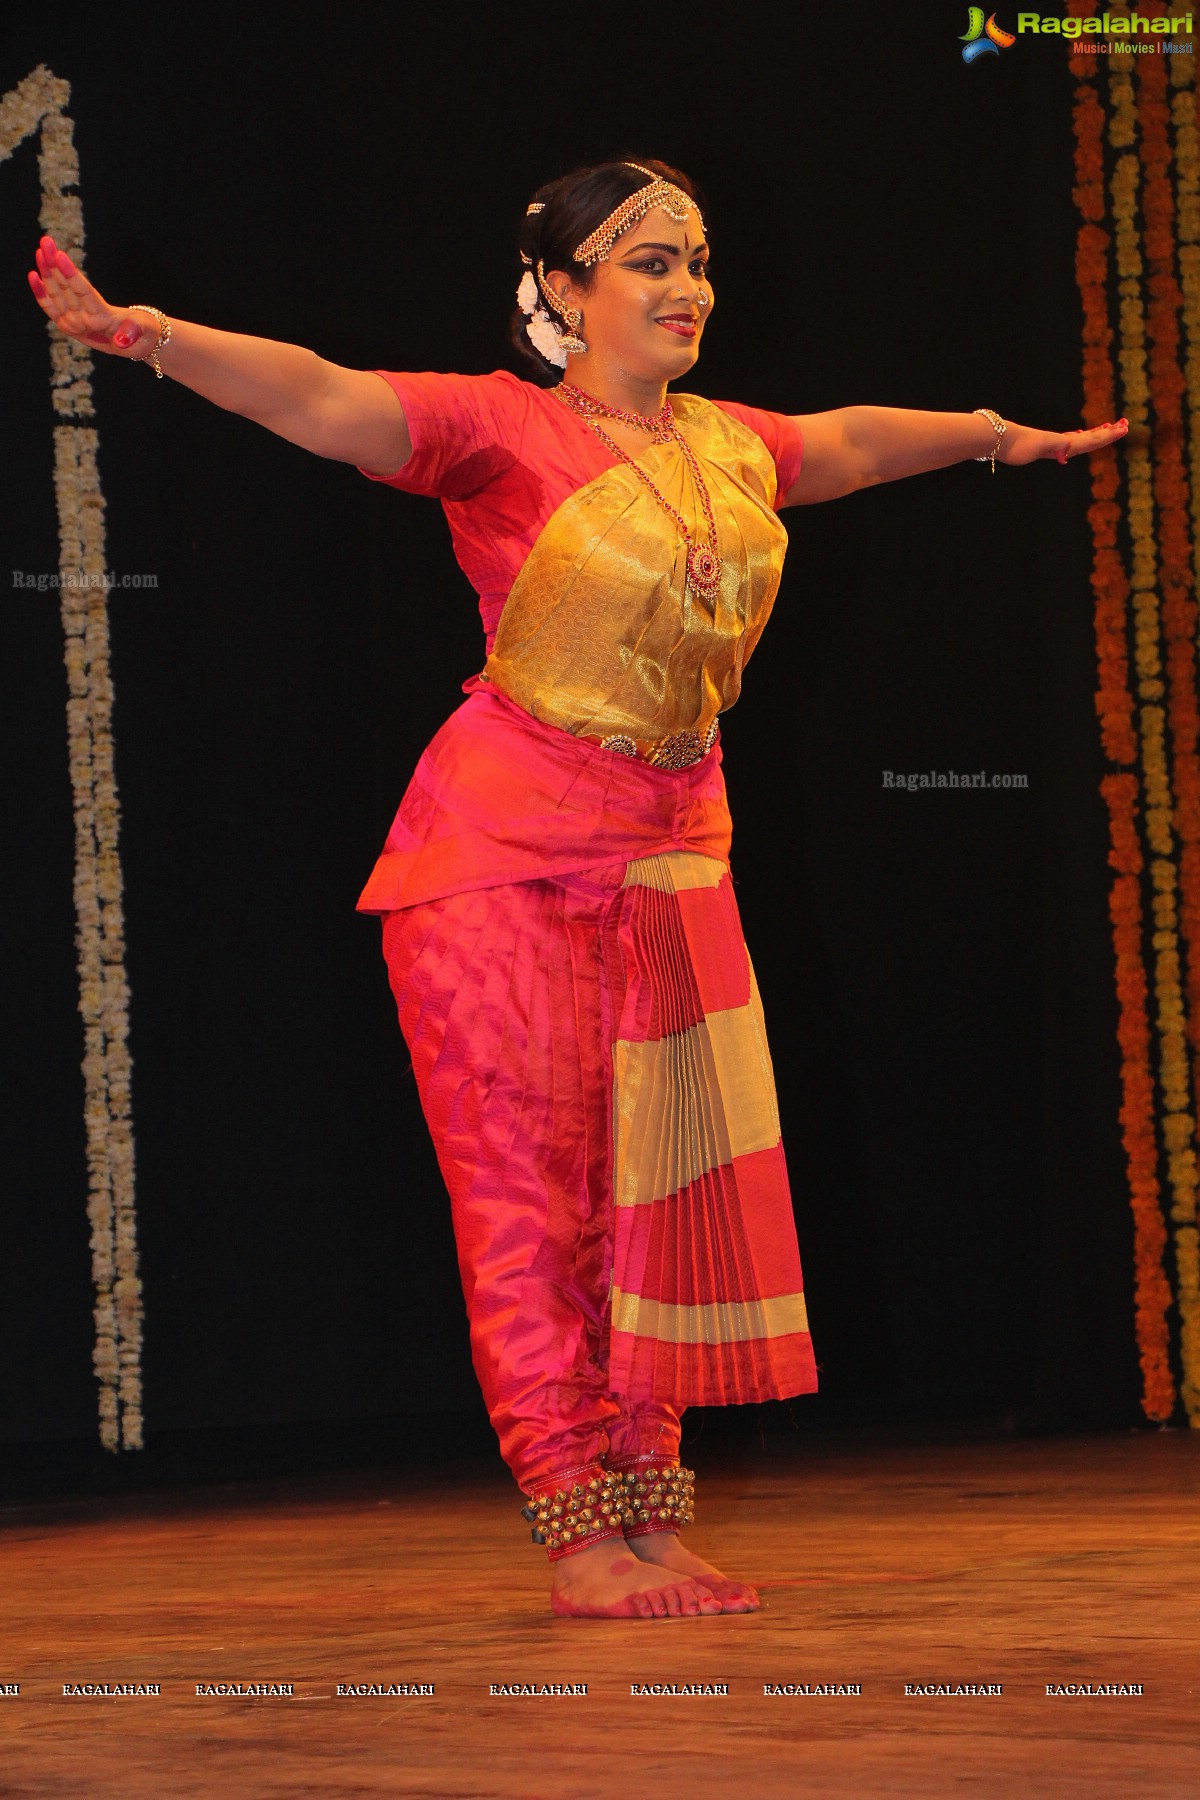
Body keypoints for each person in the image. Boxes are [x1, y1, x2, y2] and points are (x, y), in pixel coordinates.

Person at [28, 158, 1127, 1621]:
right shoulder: (498, 428)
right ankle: (577, 1527)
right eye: (649, 263)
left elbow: (851, 443)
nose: (688, 287)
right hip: (502, 857)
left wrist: (997, 436)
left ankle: (650, 1515)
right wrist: (145, 335)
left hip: (675, 848)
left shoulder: (730, 444)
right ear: (560, 290)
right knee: (533, 1207)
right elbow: (323, 396)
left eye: (697, 259)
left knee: (657, 1196)